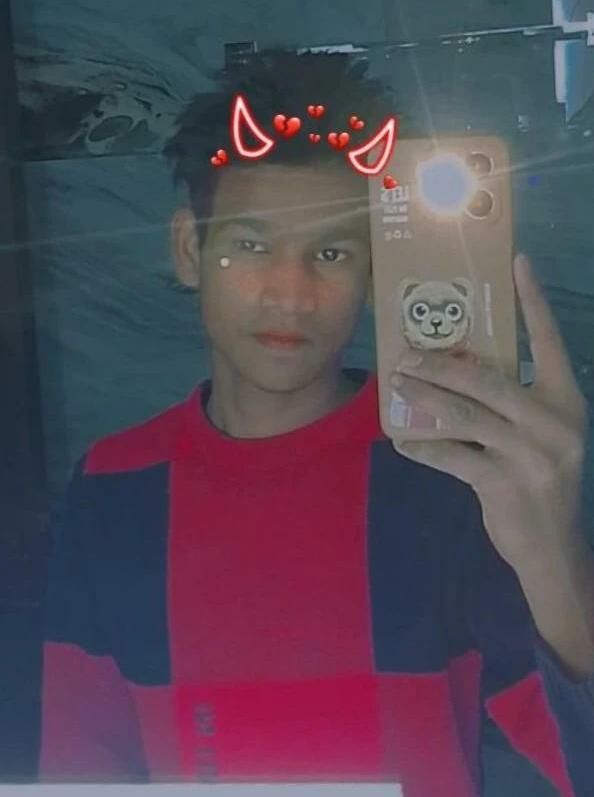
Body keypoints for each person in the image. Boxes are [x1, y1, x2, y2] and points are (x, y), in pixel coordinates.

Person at [38, 50, 594, 796]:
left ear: (375, 272)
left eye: (330, 251)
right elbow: (78, 767)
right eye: (251, 246)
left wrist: (557, 556)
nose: (290, 293)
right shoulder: (114, 489)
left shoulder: (448, 469)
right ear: (189, 249)